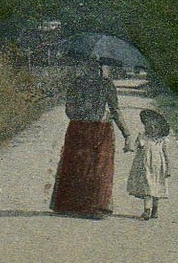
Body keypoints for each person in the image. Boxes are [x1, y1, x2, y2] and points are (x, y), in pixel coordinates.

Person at [51, 58, 128, 218]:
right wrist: (84, 111)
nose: (92, 68)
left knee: (91, 166)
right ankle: (84, 207)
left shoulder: (91, 84)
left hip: (91, 129)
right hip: (88, 128)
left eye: (95, 65)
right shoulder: (89, 84)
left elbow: (115, 109)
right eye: (90, 65)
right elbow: (70, 111)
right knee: (87, 165)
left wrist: (126, 133)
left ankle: (86, 206)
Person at [125, 109, 172, 220]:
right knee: (148, 188)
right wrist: (129, 148)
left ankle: (155, 209)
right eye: (149, 126)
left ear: (160, 129)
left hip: (158, 168)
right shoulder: (142, 137)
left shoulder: (161, 141)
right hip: (145, 167)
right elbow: (135, 147)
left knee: (156, 188)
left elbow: (166, 155)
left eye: (155, 127)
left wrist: (168, 168)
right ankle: (147, 210)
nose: (152, 129)